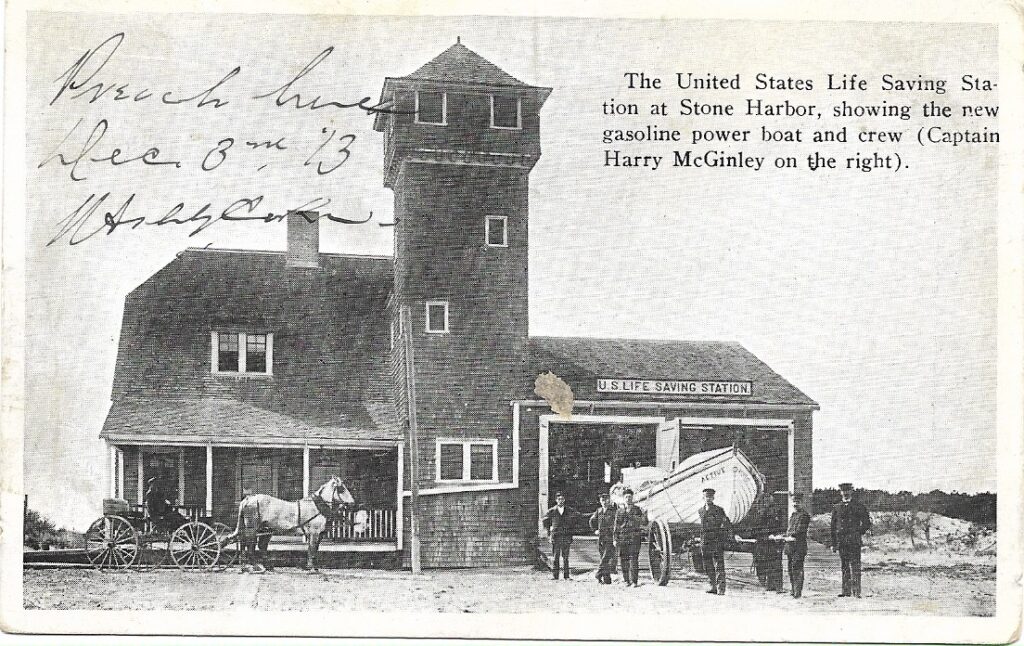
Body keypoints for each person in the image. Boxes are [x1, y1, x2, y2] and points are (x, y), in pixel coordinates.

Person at [830, 482, 872, 597]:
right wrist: (833, 543)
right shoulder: (837, 507)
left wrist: (857, 532)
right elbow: (833, 527)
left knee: (855, 566)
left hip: (854, 541)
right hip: (842, 541)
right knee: (844, 566)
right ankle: (846, 591)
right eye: (843, 491)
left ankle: (856, 591)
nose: (845, 493)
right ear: (840, 492)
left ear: (851, 491)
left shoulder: (859, 506)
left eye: (847, 490)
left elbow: (867, 523)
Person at [699, 487, 733, 595]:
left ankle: (721, 588)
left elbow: (726, 524)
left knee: (719, 565)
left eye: (710, 497)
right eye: (706, 497)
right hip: (705, 541)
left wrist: (727, 536)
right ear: (703, 498)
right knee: (708, 565)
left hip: (716, 540)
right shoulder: (701, 510)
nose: (708, 499)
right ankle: (713, 586)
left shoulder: (719, 510)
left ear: (713, 497)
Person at [612, 488, 648, 587]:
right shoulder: (620, 511)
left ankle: (634, 581)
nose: (628, 499)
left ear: (633, 498)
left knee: (634, 559)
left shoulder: (638, 510)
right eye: (626, 497)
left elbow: (644, 522)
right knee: (623, 559)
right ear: (624, 498)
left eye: (630, 497)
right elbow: (616, 526)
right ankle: (626, 580)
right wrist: (615, 539)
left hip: (634, 537)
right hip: (622, 537)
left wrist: (645, 514)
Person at [543, 492, 580, 580]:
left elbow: (577, 517)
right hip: (556, 536)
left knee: (566, 557)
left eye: (562, 499)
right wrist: (549, 531)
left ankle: (566, 576)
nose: (560, 501)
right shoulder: (552, 510)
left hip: (566, 536)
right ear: (556, 500)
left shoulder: (569, 510)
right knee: (556, 557)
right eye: (559, 499)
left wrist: (571, 530)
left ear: (564, 500)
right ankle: (555, 576)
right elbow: (545, 521)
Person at [752, 495, 785, 592]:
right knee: (764, 563)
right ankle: (769, 584)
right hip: (763, 541)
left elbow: (781, 526)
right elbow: (755, 529)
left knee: (776, 564)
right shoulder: (758, 512)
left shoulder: (777, 511)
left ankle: (778, 587)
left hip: (774, 541)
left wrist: (778, 535)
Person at [783, 493, 811, 598]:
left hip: (799, 546)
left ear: (802, 502)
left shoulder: (804, 515)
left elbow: (800, 530)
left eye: (797, 502)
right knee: (790, 568)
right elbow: (789, 530)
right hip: (790, 546)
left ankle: (797, 591)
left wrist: (791, 535)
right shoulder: (793, 515)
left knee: (797, 568)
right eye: (794, 502)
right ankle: (793, 589)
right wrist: (784, 536)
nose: (795, 504)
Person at [589, 492, 617, 584]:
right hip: (601, 538)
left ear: (609, 500)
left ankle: (598, 574)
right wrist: (595, 530)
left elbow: (617, 523)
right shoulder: (599, 511)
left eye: (606, 500)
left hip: (610, 537)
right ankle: (607, 579)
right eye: (602, 500)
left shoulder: (613, 511)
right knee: (603, 558)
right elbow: (591, 520)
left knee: (606, 557)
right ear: (600, 501)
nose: (604, 502)